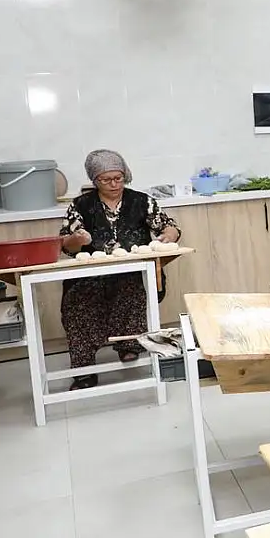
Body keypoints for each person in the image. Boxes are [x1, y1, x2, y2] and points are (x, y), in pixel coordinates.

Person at [59, 149, 181, 390]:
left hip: (133, 271)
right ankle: (84, 370)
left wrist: (168, 235)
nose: (114, 184)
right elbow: (66, 244)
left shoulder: (141, 201)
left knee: (132, 292)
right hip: (90, 276)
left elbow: (170, 227)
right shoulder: (81, 205)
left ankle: (129, 346)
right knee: (77, 303)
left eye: (119, 178)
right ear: (95, 181)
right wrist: (79, 239)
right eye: (106, 180)